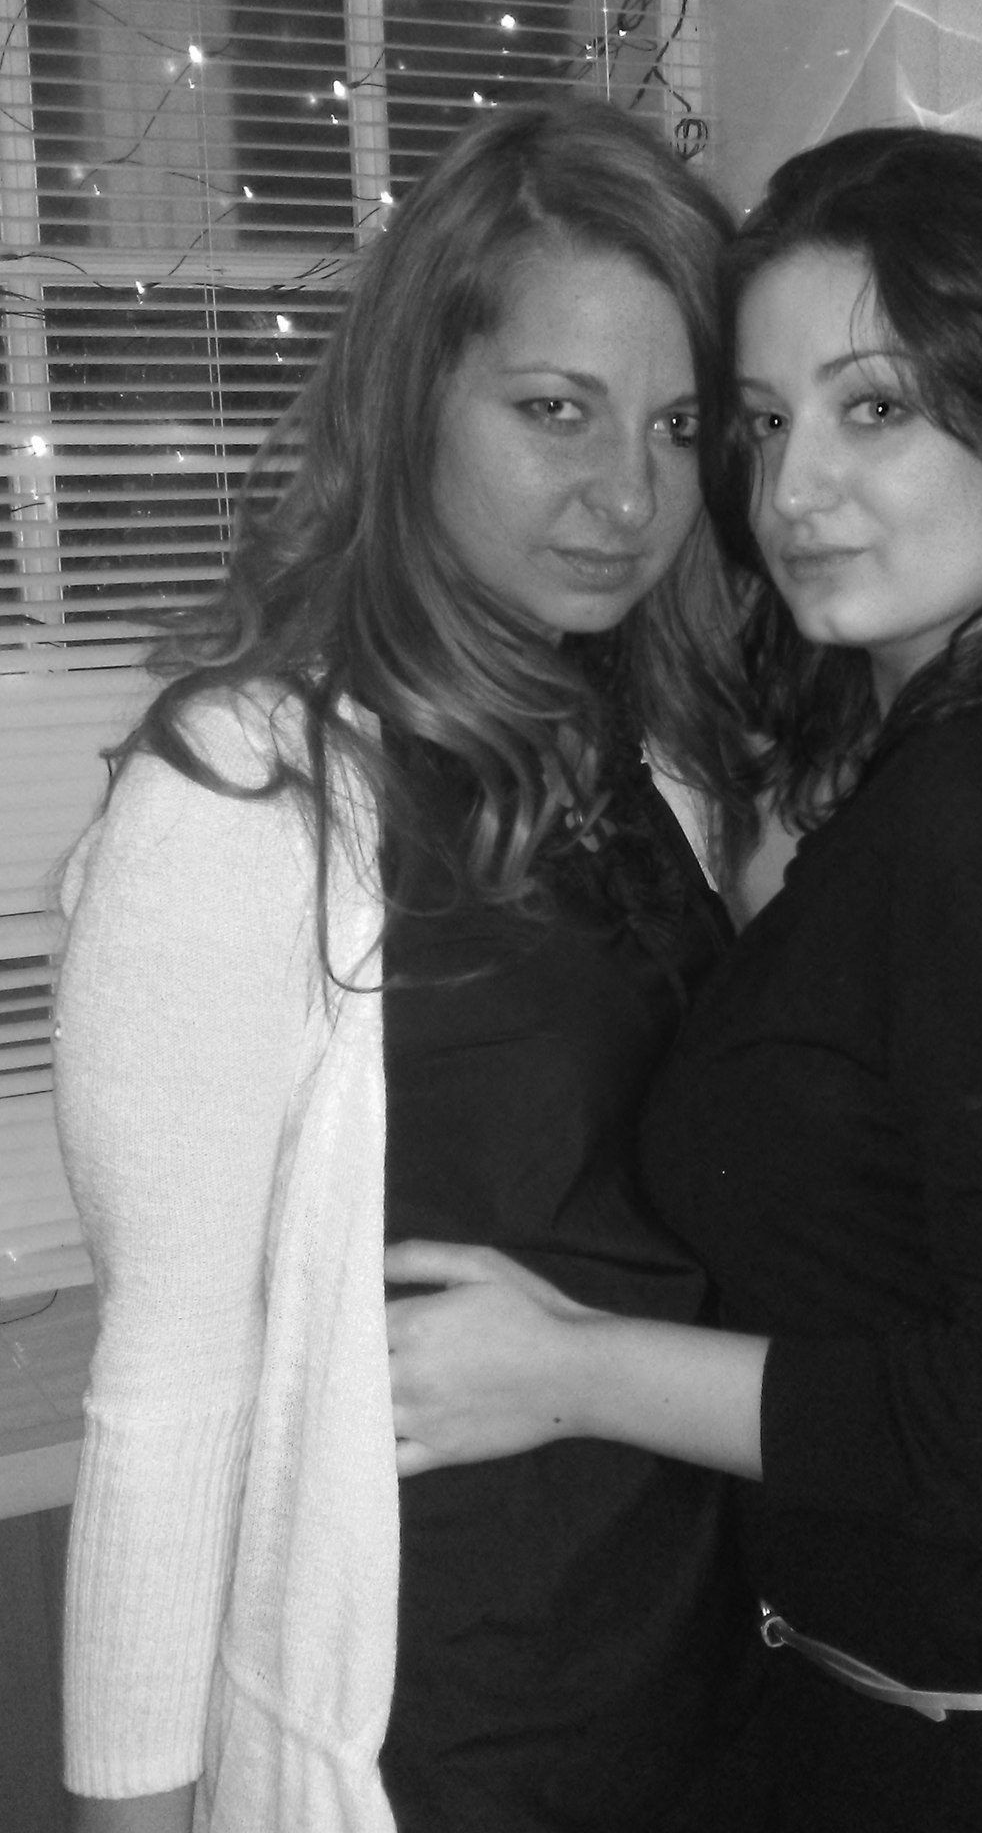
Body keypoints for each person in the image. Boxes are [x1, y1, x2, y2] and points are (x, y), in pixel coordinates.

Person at [380, 126, 982, 1829]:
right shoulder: (935, 765)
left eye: (877, 408)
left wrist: (567, 1368)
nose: (791, 491)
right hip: (899, 1714)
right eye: (762, 421)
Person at [54, 96, 763, 1833]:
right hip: (432, 1728)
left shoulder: (653, 759)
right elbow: (168, 1380)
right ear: (411, 399)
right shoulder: (247, 788)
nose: (629, 494)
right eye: (555, 409)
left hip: (689, 1671)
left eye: (677, 426)